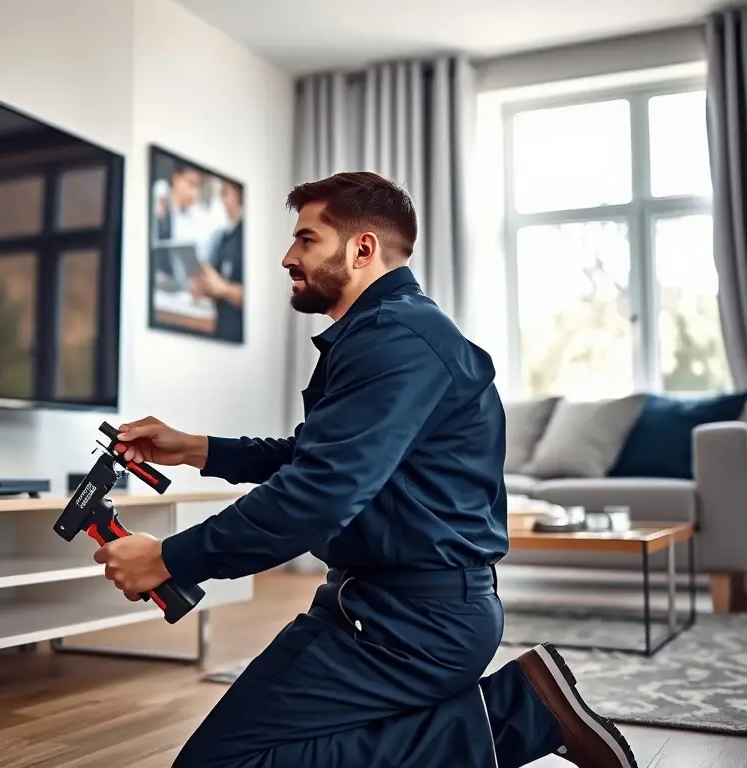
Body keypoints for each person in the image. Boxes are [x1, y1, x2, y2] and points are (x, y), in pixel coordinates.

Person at [92, 172, 638, 768]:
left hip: (412, 623)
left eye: (306, 239)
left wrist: (170, 558)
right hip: (381, 607)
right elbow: (319, 457)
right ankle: (516, 712)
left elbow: (317, 495)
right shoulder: (387, 332)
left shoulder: (395, 340)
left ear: (362, 249)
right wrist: (197, 448)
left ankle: (518, 717)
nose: (288, 257)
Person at [191, 180, 244, 343]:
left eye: (226, 193)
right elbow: (214, 283)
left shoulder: (248, 238)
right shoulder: (224, 239)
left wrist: (224, 289)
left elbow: (260, 299)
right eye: (221, 194)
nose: (223, 200)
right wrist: (203, 285)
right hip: (220, 331)